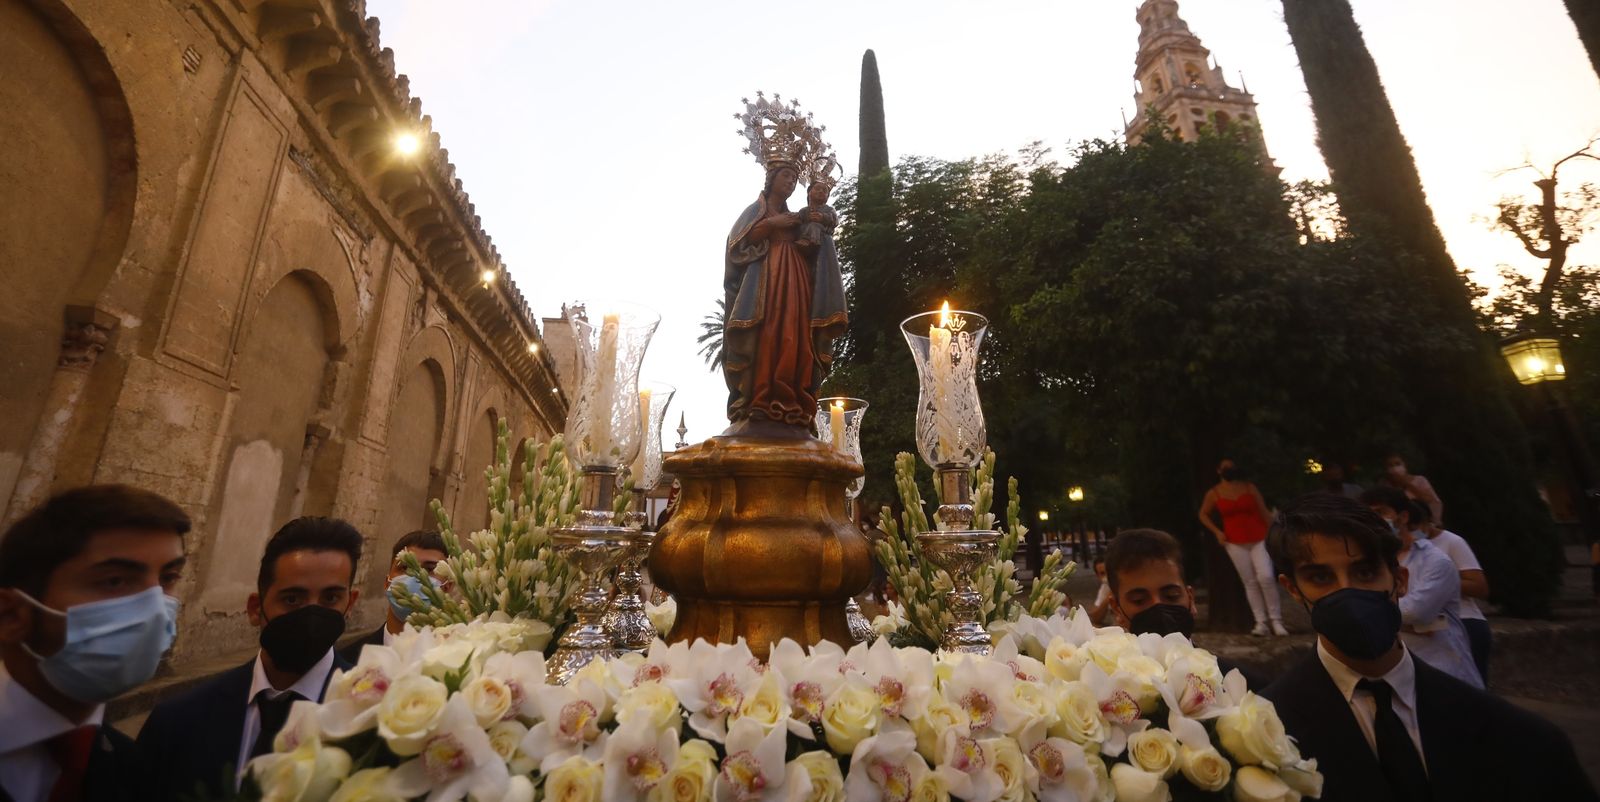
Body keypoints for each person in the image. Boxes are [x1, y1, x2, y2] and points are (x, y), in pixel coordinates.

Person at [1262, 493, 1595, 802]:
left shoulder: (1521, 737)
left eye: (1365, 572)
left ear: (1400, 580)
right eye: (1321, 578)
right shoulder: (1262, 735)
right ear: (1292, 589)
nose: (1347, 592)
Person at [138, 517, 362, 799]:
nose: (311, 615)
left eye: (330, 599)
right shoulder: (178, 721)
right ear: (256, 608)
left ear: (350, 604)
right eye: (292, 599)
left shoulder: (371, 720)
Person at [0, 486, 189, 802]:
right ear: (11, 615)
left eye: (168, 578)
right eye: (114, 581)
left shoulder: (135, 770)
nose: (156, 610)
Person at [723, 104, 848, 431]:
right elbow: (737, 245)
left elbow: (818, 237)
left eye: (794, 178)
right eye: (786, 176)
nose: (791, 183)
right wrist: (771, 225)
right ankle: (760, 397)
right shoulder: (756, 211)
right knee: (768, 333)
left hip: (795, 282)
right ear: (772, 178)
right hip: (766, 282)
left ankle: (792, 397)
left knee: (794, 334)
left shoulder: (800, 216)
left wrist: (816, 232)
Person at [1101, 528, 1268, 687]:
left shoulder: (1245, 686)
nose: (1157, 606)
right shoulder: (1105, 690)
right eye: (1139, 600)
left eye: (1171, 596)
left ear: (1190, 598)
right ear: (1116, 608)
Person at [1361, 486, 1481, 688]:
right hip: (1397, 675)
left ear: (1403, 517)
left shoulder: (1435, 562)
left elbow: (1415, 612)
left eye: (1381, 512)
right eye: (1368, 514)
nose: (1375, 520)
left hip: (1444, 673)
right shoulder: (1369, 565)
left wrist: (1370, 613)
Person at [1198, 459, 1286, 636]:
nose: (1229, 470)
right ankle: (1260, 622)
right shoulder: (1214, 493)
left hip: (1259, 537)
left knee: (1266, 576)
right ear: (1219, 471)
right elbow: (1203, 514)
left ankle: (1276, 620)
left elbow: (1263, 511)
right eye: (1225, 467)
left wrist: (1275, 531)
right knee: (1250, 582)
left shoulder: (1249, 487)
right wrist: (1217, 532)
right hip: (1234, 541)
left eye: (1231, 467)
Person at [337, 530, 446, 663]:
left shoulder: (463, 659)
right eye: (404, 567)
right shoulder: (346, 662)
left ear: (447, 587)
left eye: (429, 569)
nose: (414, 577)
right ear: (387, 582)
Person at [1414, 501, 1492, 682]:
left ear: (1427, 522)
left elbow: (1479, 586)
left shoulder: (1452, 542)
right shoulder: (1406, 549)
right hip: (1427, 626)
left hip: (1463, 620)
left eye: (1415, 526)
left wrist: (1440, 582)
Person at [1381, 453, 1443, 524]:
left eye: (1397, 464)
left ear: (1405, 464)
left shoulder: (1420, 480)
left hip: (1422, 522)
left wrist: (1407, 484)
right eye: (1390, 465)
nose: (1394, 468)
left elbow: (1429, 500)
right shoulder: (1385, 485)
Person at [1086, 558, 1112, 625]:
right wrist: (1110, 596)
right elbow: (1095, 618)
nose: (1107, 576)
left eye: (1110, 571)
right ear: (1098, 576)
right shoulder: (1105, 587)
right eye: (1103, 573)